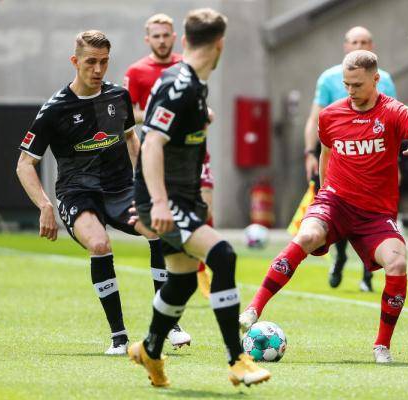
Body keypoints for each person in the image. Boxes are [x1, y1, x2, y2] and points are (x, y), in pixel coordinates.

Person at [240, 50, 408, 364]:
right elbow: (325, 154)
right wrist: (323, 196)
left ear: (376, 79)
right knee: (307, 236)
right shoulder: (330, 115)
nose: (350, 90)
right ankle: (254, 308)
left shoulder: (394, 111)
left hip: (375, 214)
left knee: (397, 263)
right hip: (335, 202)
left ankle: (382, 346)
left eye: (357, 85)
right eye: (346, 84)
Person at [127, 8, 271, 388]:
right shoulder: (179, 85)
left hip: (184, 197)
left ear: (184, 39)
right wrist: (158, 202)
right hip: (165, 198)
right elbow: (151, 144)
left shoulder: (193, 84)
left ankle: (150, 350)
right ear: (220, 44)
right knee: (223, 255)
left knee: (183, 281)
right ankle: (237, 360)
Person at [16, 30, 165, 355]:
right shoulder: (55, 109)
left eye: (104, 62)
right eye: (91, 62)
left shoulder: (119, 97)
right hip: (77, 193)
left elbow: (131, 141)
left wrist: (148, 188)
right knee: (99, 244)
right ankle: (119, 337)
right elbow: (25, 164)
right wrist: (44, 205)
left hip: (120, 189)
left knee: (158, 229)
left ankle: (167, 325)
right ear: (75, 61)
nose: (98, 69)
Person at [125, 13, 213, 301]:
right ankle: (178, 279)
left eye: (166, 35)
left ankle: (195, 272)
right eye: (156, 36)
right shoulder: (137, 71)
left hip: (194, 154)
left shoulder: (187, 66)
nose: (162, 41)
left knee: (203, 213)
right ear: (147, 39)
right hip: (160, 154)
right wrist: (164, 114)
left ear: (176, 37)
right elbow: (127, 115)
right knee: (163, 226)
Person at [304, 26, 397, 292]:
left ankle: (369, 273)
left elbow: (393, 120)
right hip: (339, 157)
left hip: (373, 160)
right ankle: (340, 256)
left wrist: (395, 165)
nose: (359, 46)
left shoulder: (385, 79)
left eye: (364, 42)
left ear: (372, 46)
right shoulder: (329, 78)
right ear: (345, 46)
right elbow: (315, 118)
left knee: (373, 215)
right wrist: (310, 153)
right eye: (354, 42)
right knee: (337, 208)